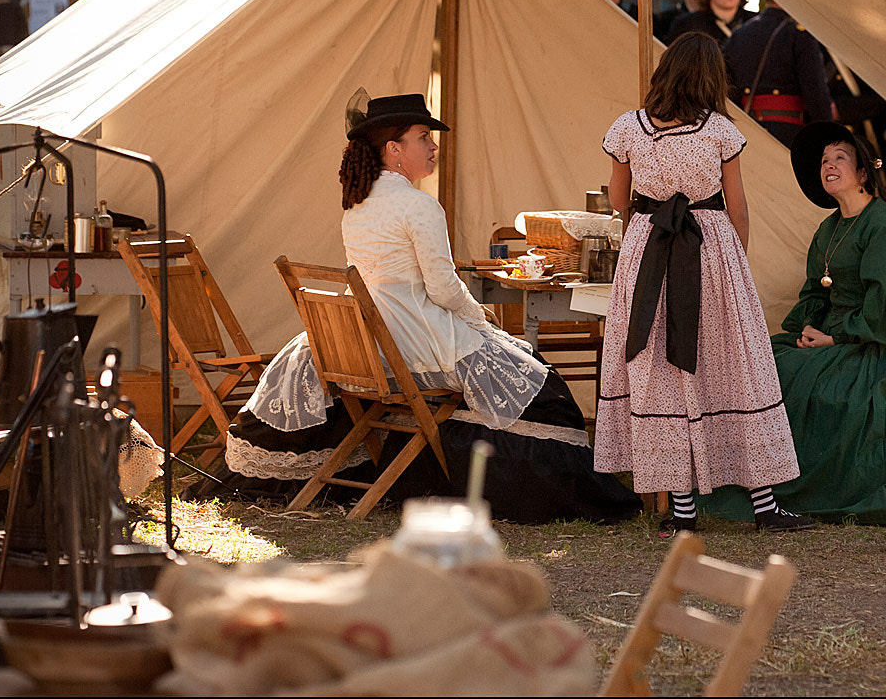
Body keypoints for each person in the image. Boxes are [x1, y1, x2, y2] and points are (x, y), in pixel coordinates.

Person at [217, 93, 640, 523]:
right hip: (409, 339)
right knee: (537, 378)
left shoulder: (356, 204)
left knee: (511, 363)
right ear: (394, 150)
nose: (434, 146)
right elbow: (441, 289)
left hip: (371, 340)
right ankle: (551, 487)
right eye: (424, 137)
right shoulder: (419, 206)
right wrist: (481, 316)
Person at [596, 34, 810, 532]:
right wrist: (735, 264)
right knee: (732, 367)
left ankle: (685, 511)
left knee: (663, 372)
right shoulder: (719, 131)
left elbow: (617, 199)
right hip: (710, 251)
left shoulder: (629, 128)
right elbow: (737, 207)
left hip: (649, 249)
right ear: (711, 78)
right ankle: (764, 505)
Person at [702, 123, 886, 524]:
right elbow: (814, 292)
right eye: (824, 161)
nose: (829, 166)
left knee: (813, 384)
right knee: (766, 366)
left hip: (872, 344)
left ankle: (797, 487)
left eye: (840, 159)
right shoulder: (829, 229)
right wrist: (803, 332)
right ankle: (753, 484)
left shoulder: (882, 225)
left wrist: (833, 337)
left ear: (864, 173)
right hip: (829, 337)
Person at [721, 0, 833, 147]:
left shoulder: (740, 34)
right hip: (789, 134)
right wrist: (828, 136)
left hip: (745, 132)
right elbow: (815, 94)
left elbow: (727, 88)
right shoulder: (799, 34)